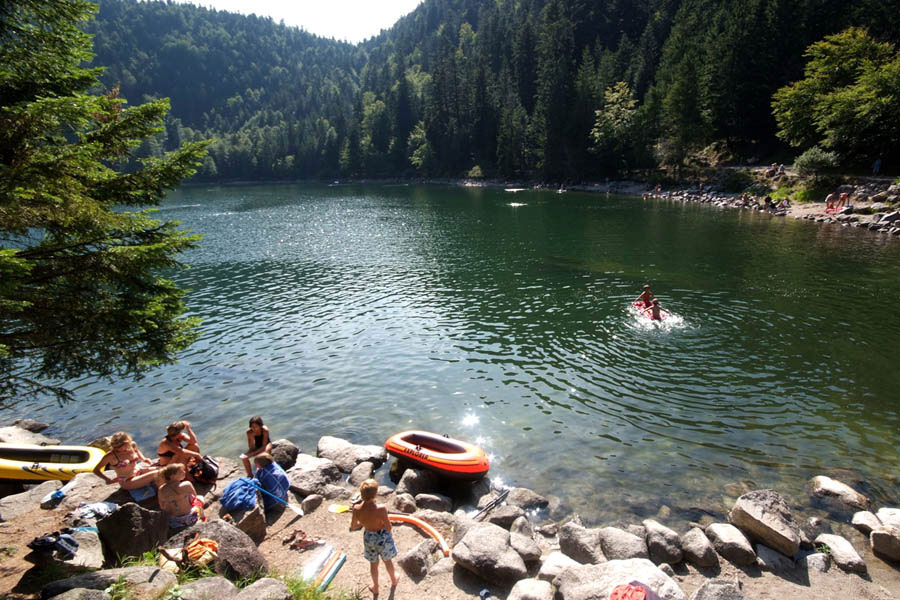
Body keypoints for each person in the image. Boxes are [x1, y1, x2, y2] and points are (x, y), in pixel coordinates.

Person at [350, 479, 398, 598]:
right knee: (388, 561)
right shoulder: (381, 509)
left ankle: (375, 587)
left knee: (373, 563)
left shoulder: (356, 509)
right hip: (382, 537)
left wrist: (363, 523)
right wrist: (382, 522)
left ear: (361, 494)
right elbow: (388, 527)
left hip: (369, 537)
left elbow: (353, 526)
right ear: (375, 494)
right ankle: (393, 580)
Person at [93, 432, 160, 492]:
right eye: (117, 447)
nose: (120, 449)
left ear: (128, 442)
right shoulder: (111, 456)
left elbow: (137, 451)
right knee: (156, 473)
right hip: (128, 481)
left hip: (139, 471)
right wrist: (107, 479)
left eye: (122, 446)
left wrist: (144, 459)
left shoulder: (132, 445)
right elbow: (96, 470)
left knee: (163, 469)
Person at [157, 463, 204, 530]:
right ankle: (202, 517)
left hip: (174, 522)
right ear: (172, 476)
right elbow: (195, 498)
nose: (184, 472)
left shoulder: (161, 489)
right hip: (190, 518)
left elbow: (162, 507)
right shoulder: (187, 484)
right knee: (200, 498)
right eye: (181, 472)